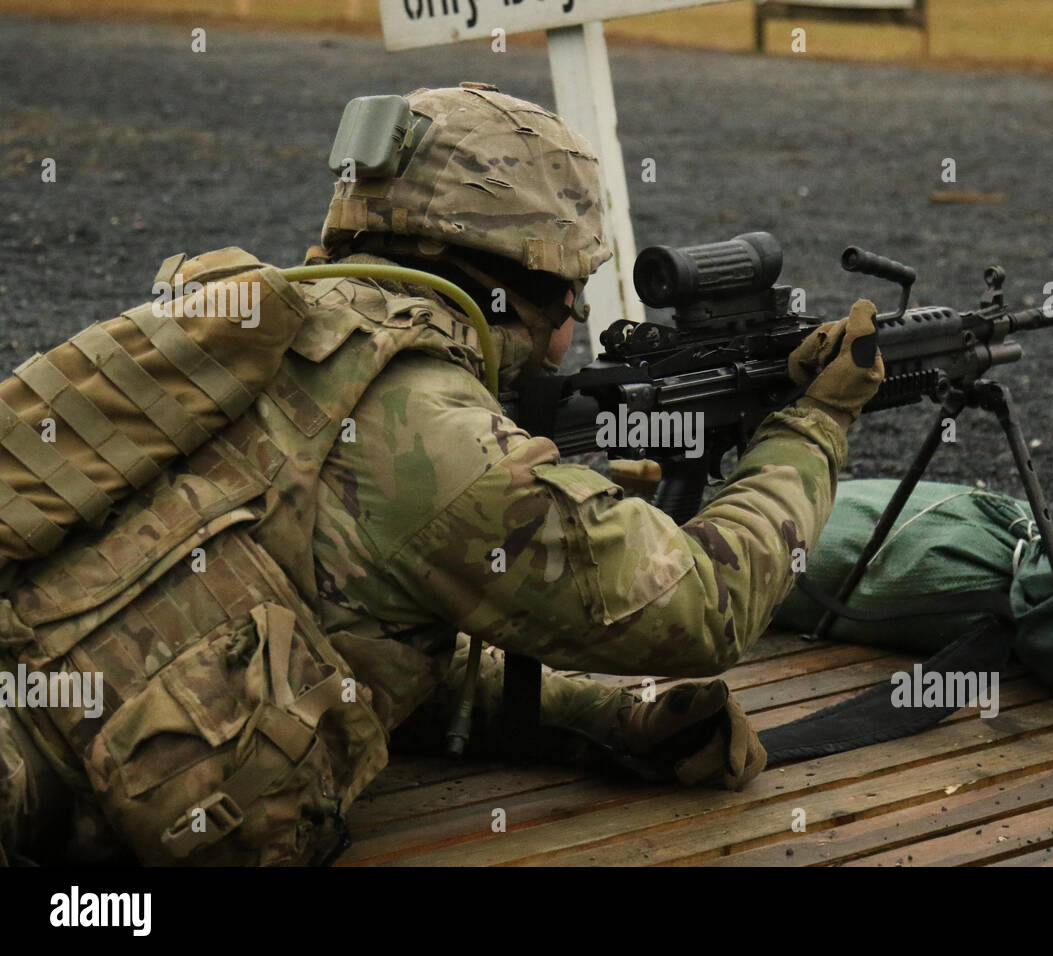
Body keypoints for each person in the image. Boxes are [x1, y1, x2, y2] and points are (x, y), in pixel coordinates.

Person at [0, 82, 884, 865]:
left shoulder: (249, 329)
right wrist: (814, 423)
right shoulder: (441, 440)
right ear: (529, 279)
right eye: (572, 293)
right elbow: (705, 607)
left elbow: (342, 653)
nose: (571, 327)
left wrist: (602, 718)